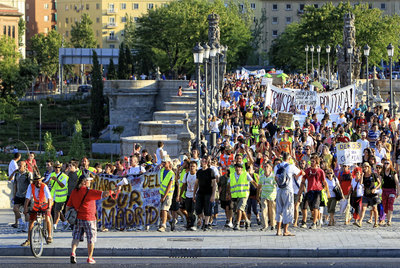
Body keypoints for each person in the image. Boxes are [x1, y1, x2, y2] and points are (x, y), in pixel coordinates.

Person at [66, 174, 111, 264]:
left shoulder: (74, 191)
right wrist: (114, 190)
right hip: (89, 218)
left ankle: (73, 253)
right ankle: (90, 257)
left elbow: (68, 206)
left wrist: (68, 217)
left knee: (76, 237)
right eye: (89, 180)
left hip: (78, 218)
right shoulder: (89, 192)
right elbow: (104, 194)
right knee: (91, 238)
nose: (90, 182)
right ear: (84, 182)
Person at [274, 152, 303, 236]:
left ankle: (278, 230)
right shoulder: (291, 166)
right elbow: (300, 173)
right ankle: (285, 230)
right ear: (289, 158)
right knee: (288, 209)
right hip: (288, 189)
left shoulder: (276, 166)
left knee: (279, 209)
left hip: (279, 189)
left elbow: (275, 178)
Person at [299, 155, 330, 229]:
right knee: (312, 209)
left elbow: (324, 182)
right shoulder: (307, 170)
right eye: (311, 161)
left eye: (313, 161)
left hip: (318, 191)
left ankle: (314, 223)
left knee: (316, 207)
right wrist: (300, 191)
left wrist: (327, 192)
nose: (311, 163)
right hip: (309, 191)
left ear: (316, 162)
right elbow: (303, 181)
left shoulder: (320, 171)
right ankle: (316, 220)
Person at [20, 175, 53, 247]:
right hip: (36, 206)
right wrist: (25, 209)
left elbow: (49, 198)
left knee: (47, 218)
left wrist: (48, 207)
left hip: (45, 205)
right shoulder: (31, 186)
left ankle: (49, 236)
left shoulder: (44, 186)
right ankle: (29, 240)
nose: (38, 183)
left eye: (40, 181)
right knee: (31, 221)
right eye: (37, 181)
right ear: (34, 182)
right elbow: (27, 198)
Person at [357, 162, 381, 228]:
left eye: (366, 167)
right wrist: (362, 175)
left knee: (374, 208)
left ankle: (376, 223)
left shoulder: (373, 175)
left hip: (373, 194)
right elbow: (360, 183)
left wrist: (375, 188)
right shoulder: (363, 176)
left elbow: (379, 183)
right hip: (366, 193)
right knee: (363, 208)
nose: (365, 168)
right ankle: (360, 222)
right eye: (363, 167)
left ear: (369, 167)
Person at [9, 161, 32, 230]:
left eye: (20, 166)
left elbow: (31, 184)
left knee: (26, 211)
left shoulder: (28, 174)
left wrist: (30, 196)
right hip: (18, 195)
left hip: (25, 196)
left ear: (24, 167)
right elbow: (14, 184)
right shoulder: (17, 174)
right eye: (18, 165)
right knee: (15, 209)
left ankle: (27, 226)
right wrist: (14, 195)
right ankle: (21, 223)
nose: (18, 167)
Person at [50, 161, 69, 231]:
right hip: (54, 196)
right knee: (57, 211)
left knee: (57, 211)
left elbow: (62, 185)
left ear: (60, 168)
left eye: (58, 167)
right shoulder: (52, 174)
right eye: (55, 167)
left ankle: (54, 225)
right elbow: (46, 182)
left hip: (62, 197)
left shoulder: (64, 176)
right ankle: (65, 223)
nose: (57, 168)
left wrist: (56, 180)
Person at [257, 162, 277, 231]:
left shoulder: (273, 176)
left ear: (271, 168)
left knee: (272, 211)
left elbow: (277, 186)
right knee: (264, 210)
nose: (265, 168)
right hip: (264, 195)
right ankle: (265, 225)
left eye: (267, 166)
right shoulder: (262, 176)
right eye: (264, 166)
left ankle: (273, 224)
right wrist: (258, 196)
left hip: (272, 196)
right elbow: (259, 186)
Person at [157, 156, 175, 232]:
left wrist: (164, 197)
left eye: (165, 162)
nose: (163, 164)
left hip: (168, 194)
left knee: (164, 209)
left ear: (169, 163)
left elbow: (169, 186)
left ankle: (163, 225)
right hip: (161, 193)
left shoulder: (171, 173)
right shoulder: (161, 171)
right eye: (163, 162)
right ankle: (171, 219)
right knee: (162, 210)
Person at [380, 160, 399, 226]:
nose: (386, 164)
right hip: (384, 190)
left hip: (392, 190)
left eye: (387, 163)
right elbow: (379, 182)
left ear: (390, 164)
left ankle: (389, 220)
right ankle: (387, 219)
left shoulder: (394, 172)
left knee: (390, 203)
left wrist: (398, 192)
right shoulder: (382, 172)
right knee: (385, 205)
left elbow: (397, 182)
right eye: (385, 163)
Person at [181, 161, 198, 230]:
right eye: (191, 166)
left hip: (195, 195)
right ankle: (190, 222)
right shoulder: (187, 175)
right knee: (188, 210)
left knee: (193, 210)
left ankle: (194, 224)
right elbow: (183, 185)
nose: (192, 168)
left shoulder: (197, 175)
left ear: (196, 167)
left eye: (193, 166)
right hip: (188, 195)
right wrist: (180, 195)